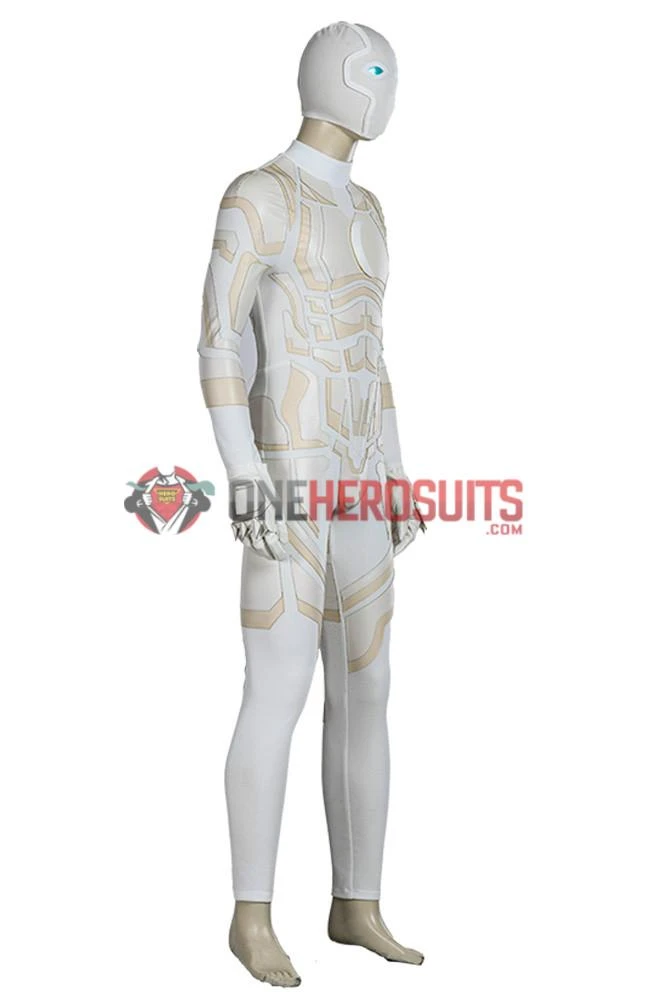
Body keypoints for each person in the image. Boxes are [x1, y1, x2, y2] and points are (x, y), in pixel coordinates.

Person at [197, 22, 425, 987]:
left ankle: (356, 902)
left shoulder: (369, 209)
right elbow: (219, 341)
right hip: (289, 481)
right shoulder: (258, 196)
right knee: (279, 688)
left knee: (368, 688)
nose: (386, 89)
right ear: (338, 80)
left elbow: (371, 350)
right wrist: (242, 469)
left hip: (361, 478)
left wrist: (399, 471)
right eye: (375, 72)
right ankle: (251, 916)